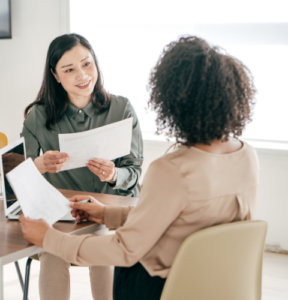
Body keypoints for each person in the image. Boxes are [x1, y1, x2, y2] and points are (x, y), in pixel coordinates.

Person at [20, 36, 259, 300]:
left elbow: (124, 249)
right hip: (216, 285)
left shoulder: (170, 170)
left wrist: (49, 239)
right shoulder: (248, 156)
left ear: (170, 102)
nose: (81, 74)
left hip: (162, 287)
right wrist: (106, 213)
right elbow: (175, 219)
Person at [20, 34, 143, 300]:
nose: (82, 75)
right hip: (62, 215)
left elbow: (134, 172)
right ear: (55, 75)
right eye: (69, 69)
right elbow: (18, 181)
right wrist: (39, 165)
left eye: (87, 64)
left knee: (103, 244)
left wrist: (114, 174)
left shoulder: (121, 108)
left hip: (109, 212)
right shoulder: (38, 117)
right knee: (53, 249)